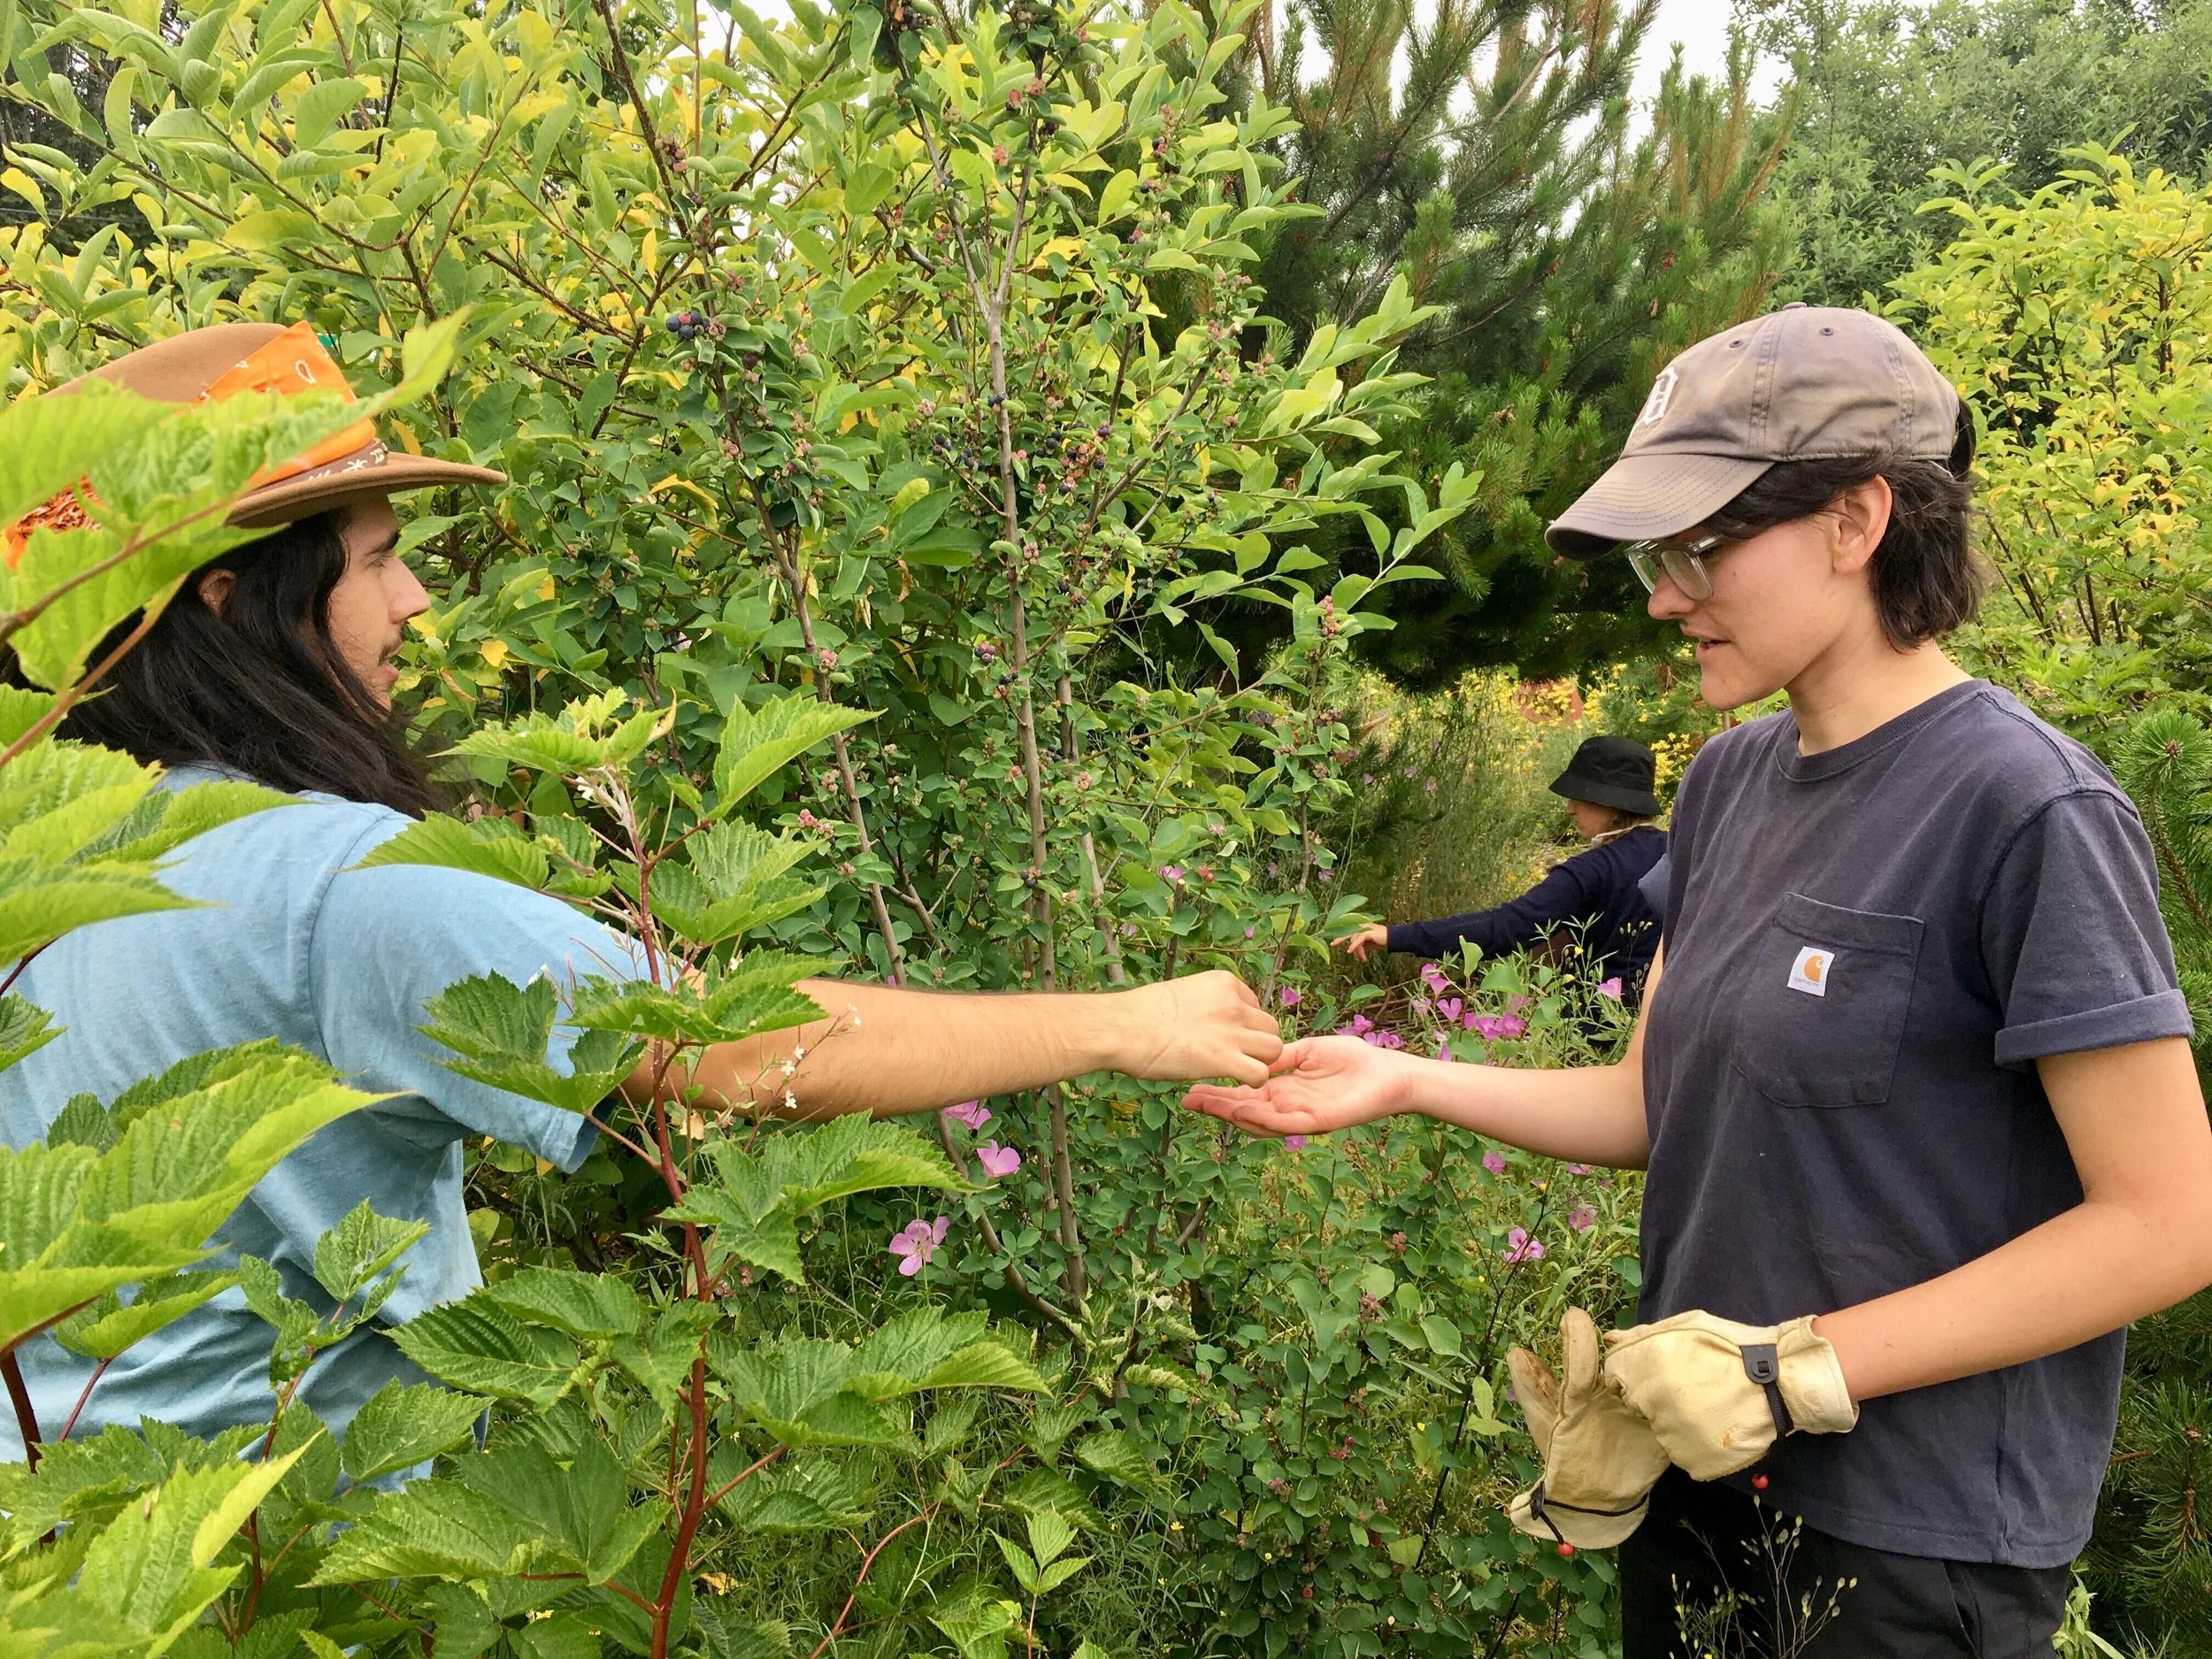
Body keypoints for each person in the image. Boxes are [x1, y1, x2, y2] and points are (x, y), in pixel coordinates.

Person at [0, 324, 1283, 1457]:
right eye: (376, 557)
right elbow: (727, 1050)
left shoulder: (45, 860)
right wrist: (1127, 1022)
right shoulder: (338, 882)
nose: (416, 597)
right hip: (293, 1560)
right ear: (235, 606)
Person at [1187, 304, 2212, 1656]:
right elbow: (1653, 1106)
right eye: (1653, 559)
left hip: (1913, 1547)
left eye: (1698, 548)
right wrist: (1406, 1074)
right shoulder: (1727, 784)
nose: (1666, 595)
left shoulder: (2026, 808)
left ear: (1857, 522)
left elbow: (2169, 1219)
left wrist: (1800, 1368)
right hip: (1698, 1487)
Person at [1339, 734, 1666, 995]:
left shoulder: (1591, 871)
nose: (1569, 809)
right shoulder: (1680, 851)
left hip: (1600, 1032)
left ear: (1608, 802)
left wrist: (1396, 936)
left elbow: (1505, 928)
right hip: (1670, 1024)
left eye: (1578, 798)